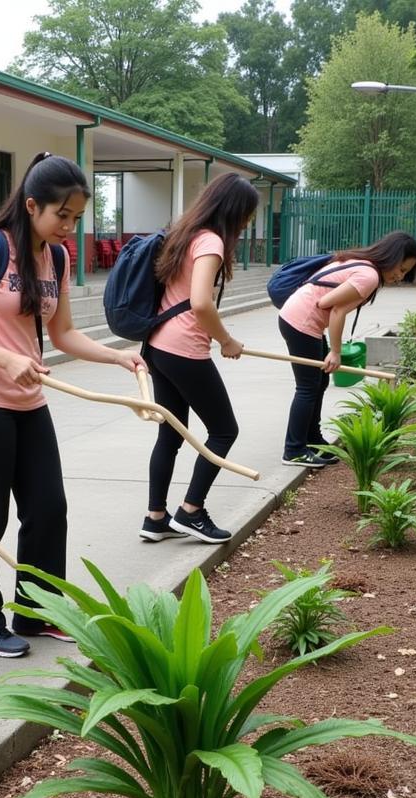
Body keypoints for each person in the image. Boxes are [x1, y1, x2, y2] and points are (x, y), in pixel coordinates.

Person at [0, 152, 144, 659]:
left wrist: (116, 357)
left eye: (77, 218)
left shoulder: (56, 258)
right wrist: (7, 361)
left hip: (28, 398)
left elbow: (64, 333)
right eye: (62, 216)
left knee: (48, 507)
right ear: (32, 206)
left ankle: (37, 612)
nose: (69, 228)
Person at [139, 172, 258, 545]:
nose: (248, 223)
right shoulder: (210, 242)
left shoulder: (185, 233)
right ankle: (191, 511)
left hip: (157, 345)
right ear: (234, 211)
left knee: (170, 432)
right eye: (248, 215)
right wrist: (226, 340)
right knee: (224, 430)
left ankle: (155, 517)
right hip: (184, 349)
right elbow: (201, 302)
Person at [278, 230, 416, 467]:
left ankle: (313, 442)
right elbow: (333, 307)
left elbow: (329, 303)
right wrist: (335, 351)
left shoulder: (361, 263)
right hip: (301, 322)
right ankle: (293, 450)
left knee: (318, 383)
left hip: (300, 319)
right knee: (308, 386)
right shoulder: (369, 276)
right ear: (392, 256)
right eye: (402, 269)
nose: (399, 276)